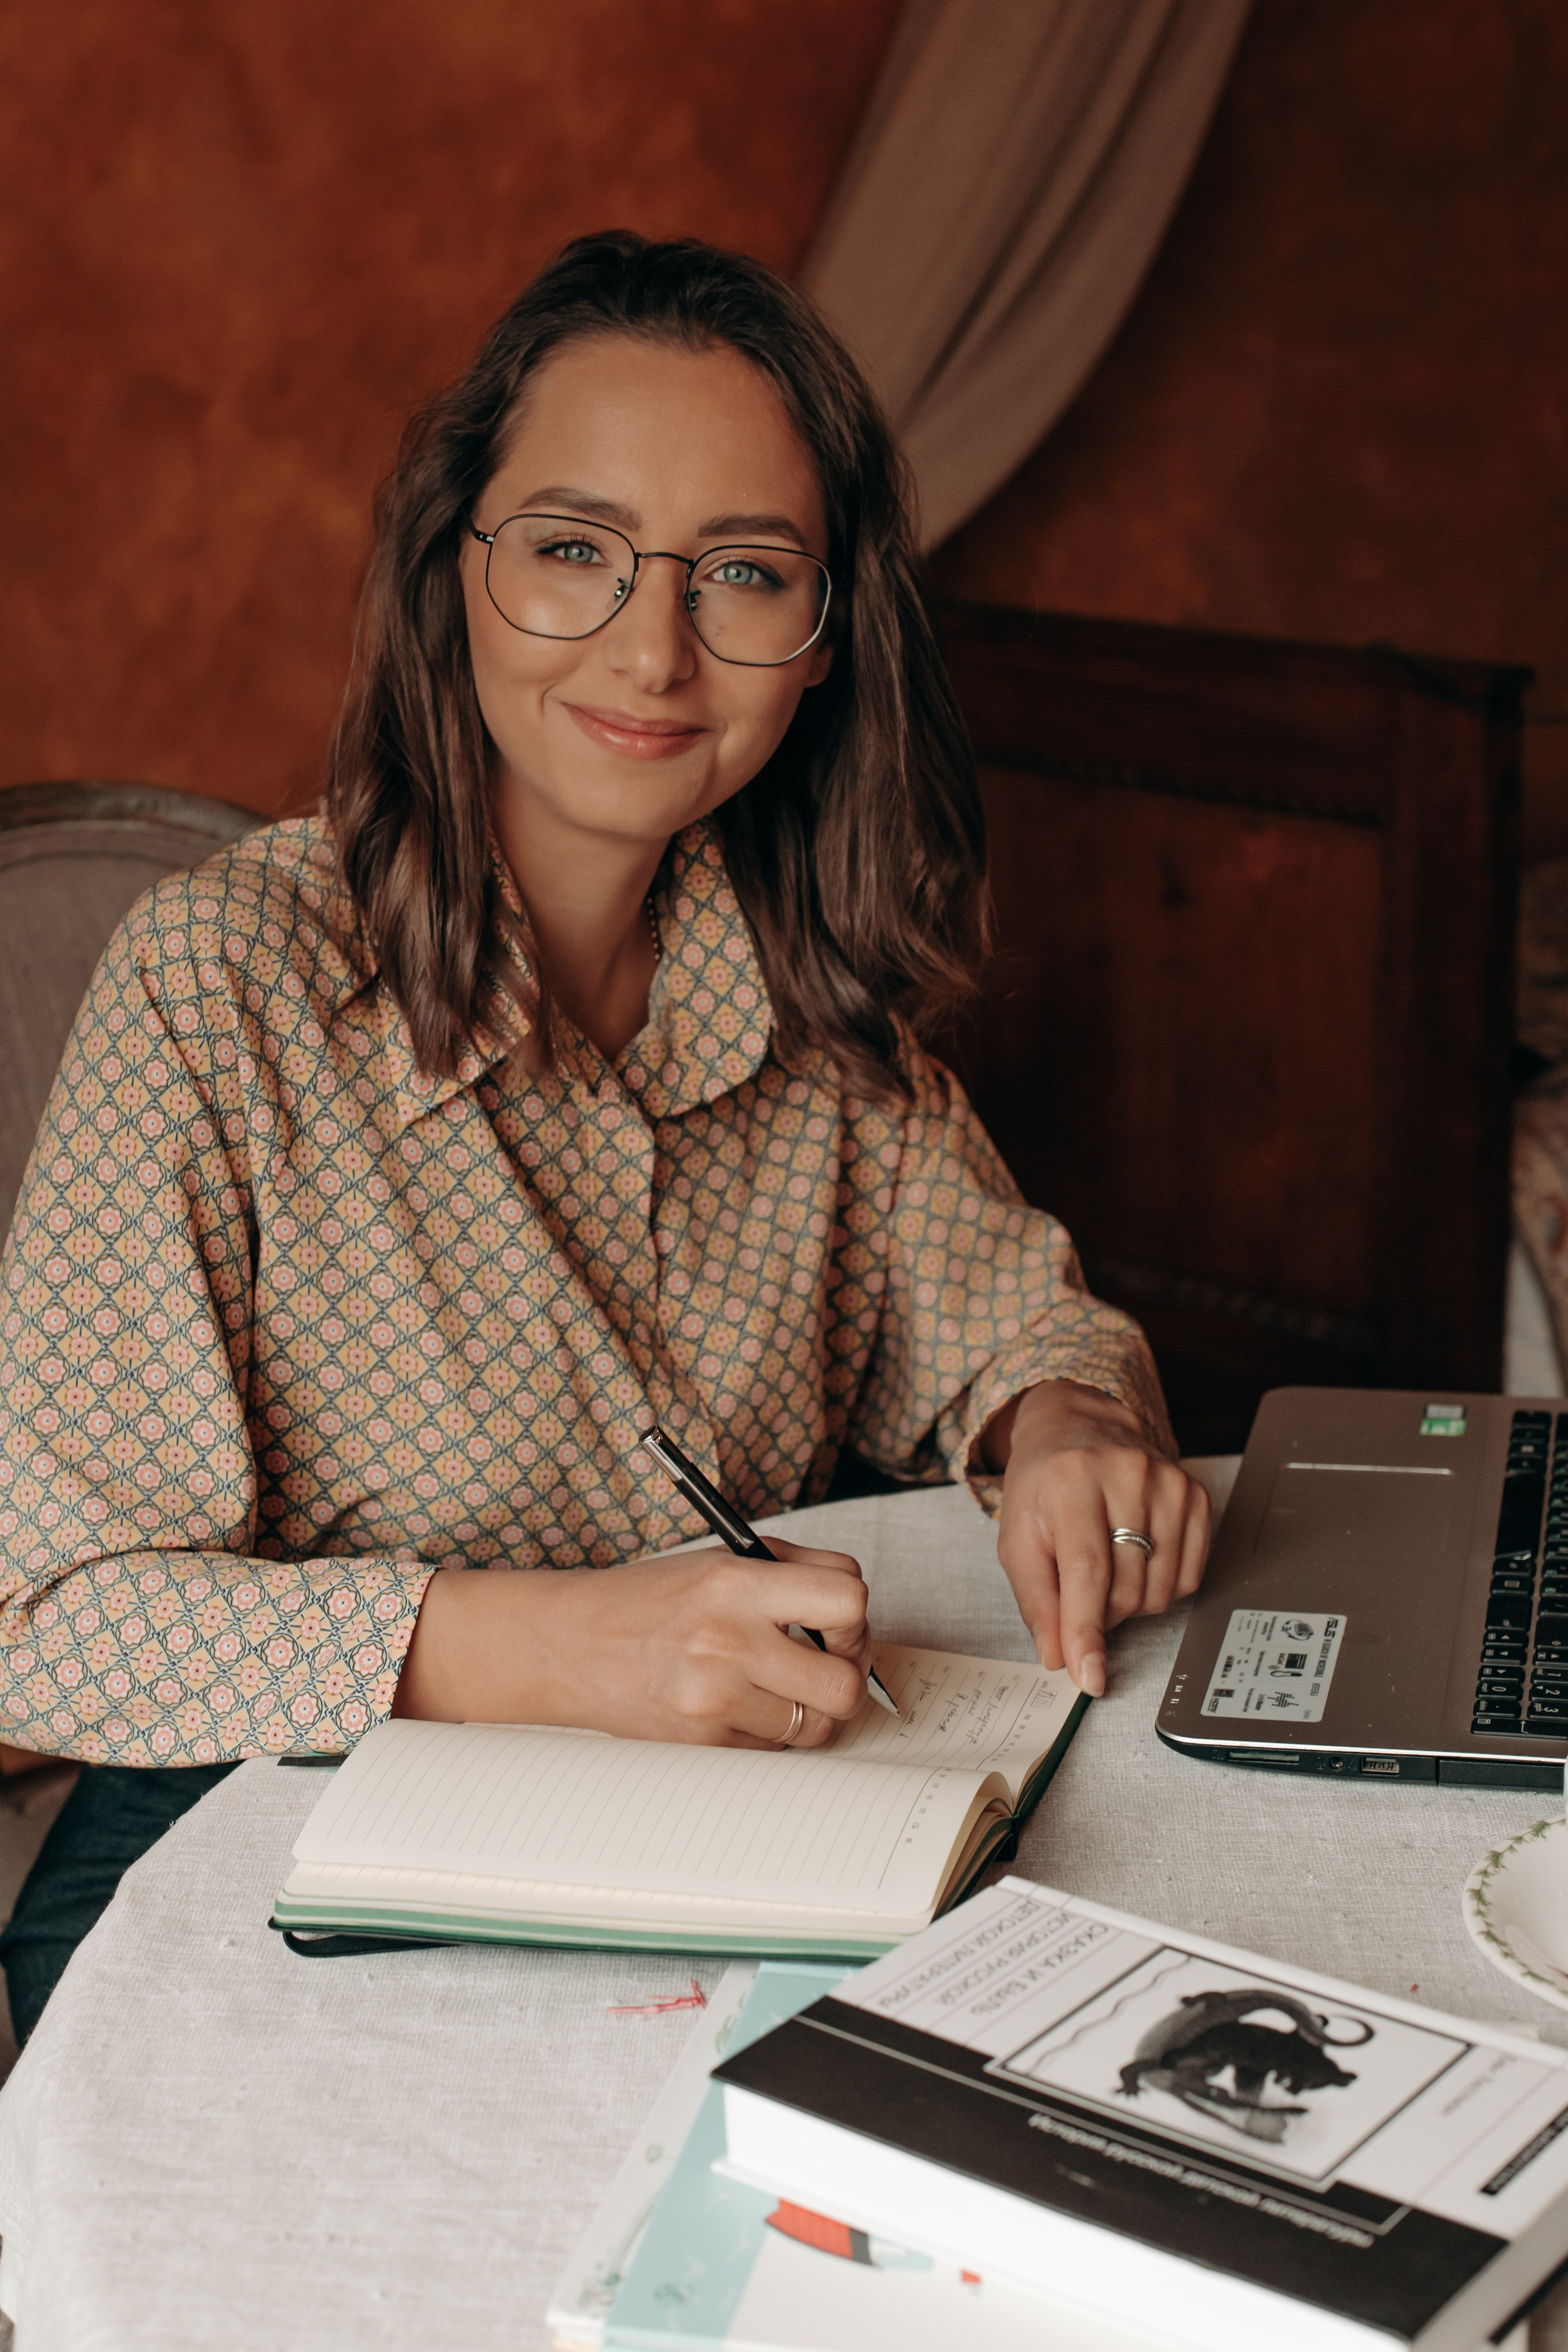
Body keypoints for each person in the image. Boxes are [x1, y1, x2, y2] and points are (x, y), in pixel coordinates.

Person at [0, 232, 1210, 2040]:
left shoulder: (808, 995)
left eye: (741, 573)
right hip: (256, 1832)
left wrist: (1065, 1430)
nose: (654, 645)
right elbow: (42, 1619)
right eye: (575, 550)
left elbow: (1020, 1324)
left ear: (823, 638)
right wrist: (537, 1645)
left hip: (716, 1832)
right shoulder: (222, 987)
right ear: (452, 576)